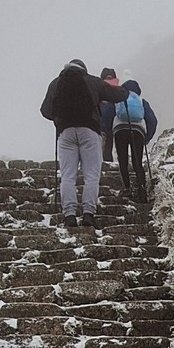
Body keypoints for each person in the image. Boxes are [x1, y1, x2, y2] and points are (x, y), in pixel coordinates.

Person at [39, 58, 127, 229]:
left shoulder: (55, 84)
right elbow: (117, 95)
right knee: (91, 175)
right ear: (83, 69)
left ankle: (69, 215)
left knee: (67, 176)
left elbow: (45, 110)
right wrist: (126, 91)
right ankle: (88, 213)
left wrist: (60, 118)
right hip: (89, 131)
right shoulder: (92, 81)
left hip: (65, 134)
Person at [110, 80, 158, 204]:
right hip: (138, 131)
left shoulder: (117, 99)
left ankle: (126, 187)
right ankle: (141, 186)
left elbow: (106, 116)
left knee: (123, 159)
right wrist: (147, 137)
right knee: (137, 160)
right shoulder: (141, 101)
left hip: (120, 130)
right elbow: (152, 120)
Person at [98, 68, 120, 163]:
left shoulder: (99, 88)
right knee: (108, 148)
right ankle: (108, 162)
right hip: (112, 124)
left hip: (99, 123)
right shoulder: (116, 90)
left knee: (98, 149)